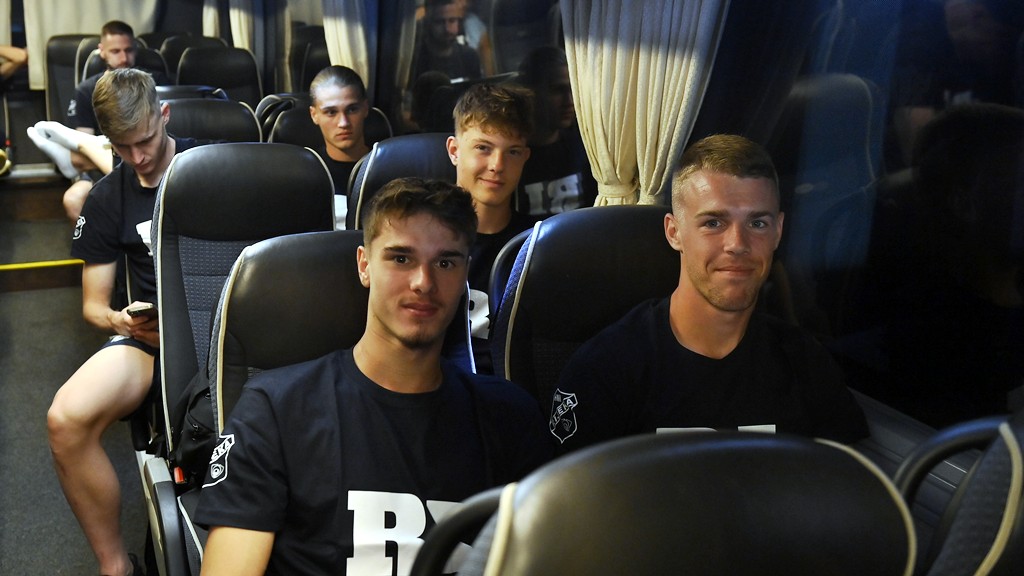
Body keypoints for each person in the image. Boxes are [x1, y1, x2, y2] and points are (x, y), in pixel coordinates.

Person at [195, 177, 552, 575]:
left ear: (465, 274)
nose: (424, 282)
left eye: (445, 262)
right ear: (365, 265)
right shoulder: (276, 410)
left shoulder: (510, 417)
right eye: (401, 259)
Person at [549, 134, 869, 451]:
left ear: (778, 231)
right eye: (714, 223)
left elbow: (843, 479)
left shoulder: (806, 363)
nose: (738, 244)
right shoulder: (607, 370)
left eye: (758, 223)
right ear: (674, 232)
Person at [46, 68, 207, 576]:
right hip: (155, 342)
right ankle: (116, 566)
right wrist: (122, 319)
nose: (137, 158)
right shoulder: (107, 197)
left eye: (146, 141)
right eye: (122, 147)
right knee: (65, 420)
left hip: (235, 331)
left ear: (165, 116)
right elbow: (93, 307)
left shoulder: (213, 170)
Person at [446, 82, 536, 373]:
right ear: (454, 150)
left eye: (512, 152)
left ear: (525, 158)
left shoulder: (537, 247)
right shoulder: (425, 243)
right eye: (483, 148)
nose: (497, 165)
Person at [515, 45, 597, 217]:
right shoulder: (512, 155)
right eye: (558, 90)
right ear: (532, 93)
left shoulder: (585, 146)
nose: (569, 101)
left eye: (573, 90)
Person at [410, 0, 483, 86]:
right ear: (428, 23)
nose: (447, 29)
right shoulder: (415, 60)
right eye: (439, 22)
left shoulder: (469, 57)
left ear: (459, 22)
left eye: (452, 20)